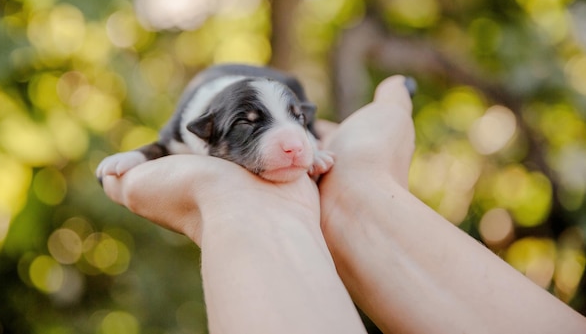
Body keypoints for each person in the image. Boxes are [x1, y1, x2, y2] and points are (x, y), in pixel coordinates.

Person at [100, 76, 586, 334]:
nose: (290, 144)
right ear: (207, 135)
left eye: (296, 124)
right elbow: (162, 146)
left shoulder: (293, 120)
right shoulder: (191, 124)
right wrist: (140, 156)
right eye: (252, 124)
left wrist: (338, 170)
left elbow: (299, 131)